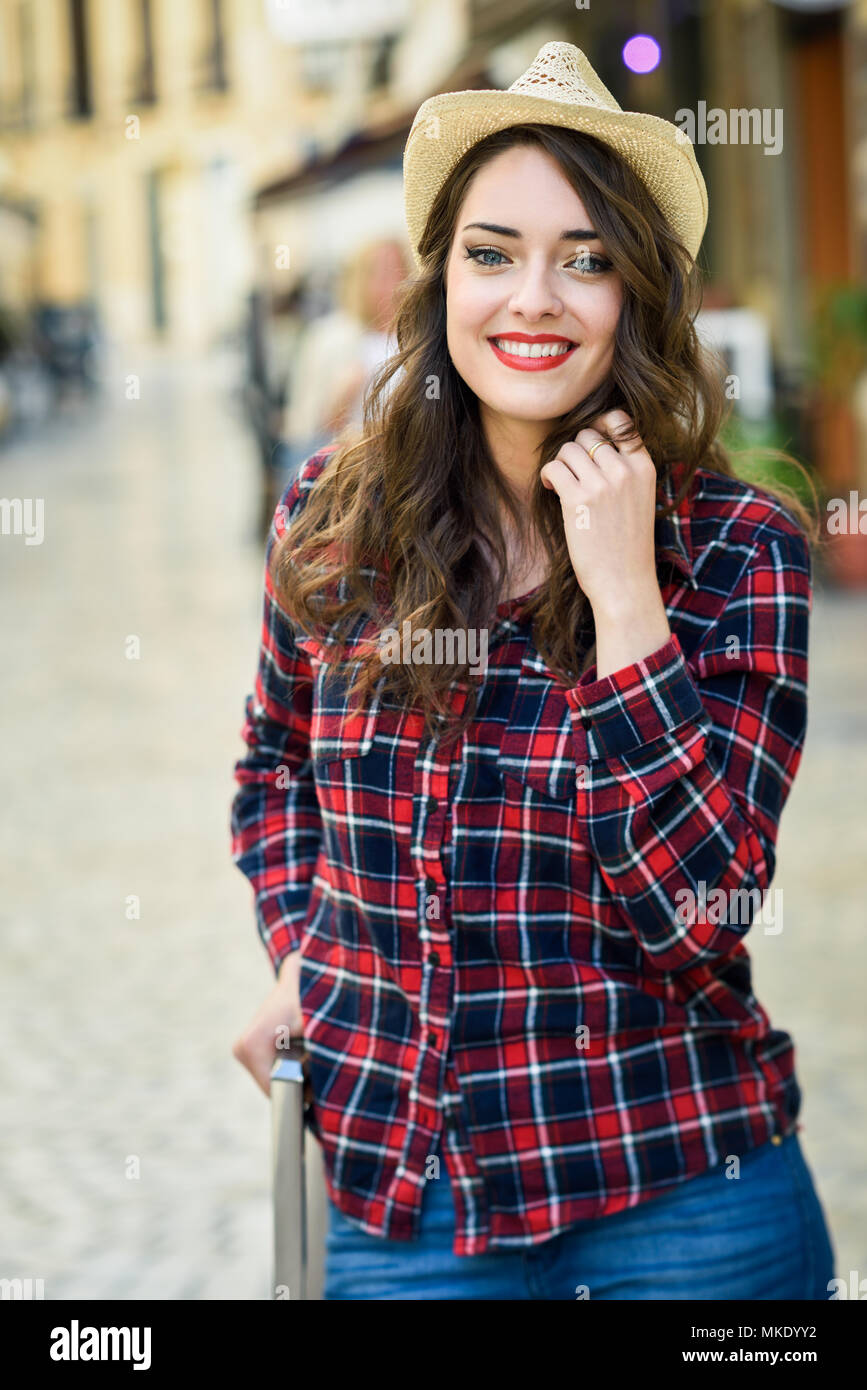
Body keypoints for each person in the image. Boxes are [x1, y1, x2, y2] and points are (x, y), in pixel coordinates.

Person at [229, 41, 835, 1300]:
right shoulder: (333, 525)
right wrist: (309, 953)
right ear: (440, 276)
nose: (534, 298)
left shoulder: (734, 554)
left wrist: (625, 602)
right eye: (494, 253)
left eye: (588, 259)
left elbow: (700, 915)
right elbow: (272, 771)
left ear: (641, 294)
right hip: (413, 1204)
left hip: (683, 1194)